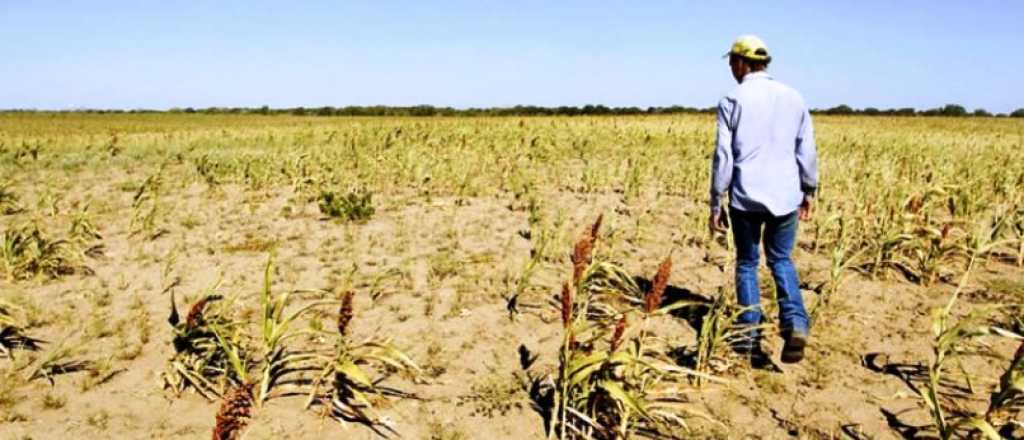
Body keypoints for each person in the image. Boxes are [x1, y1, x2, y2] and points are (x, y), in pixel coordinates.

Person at [708, 35, 818, 364]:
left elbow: (723, 157)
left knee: (746, 263)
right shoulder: (793, 97)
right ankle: (795, 323)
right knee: (781, 260)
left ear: (743, 63)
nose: (730, 68)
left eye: (732, 62)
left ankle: (749, 335)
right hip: (786, 195)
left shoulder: (732, 99)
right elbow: (806, 150)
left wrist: (716, 199)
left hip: (745, 197)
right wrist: (809, 189)